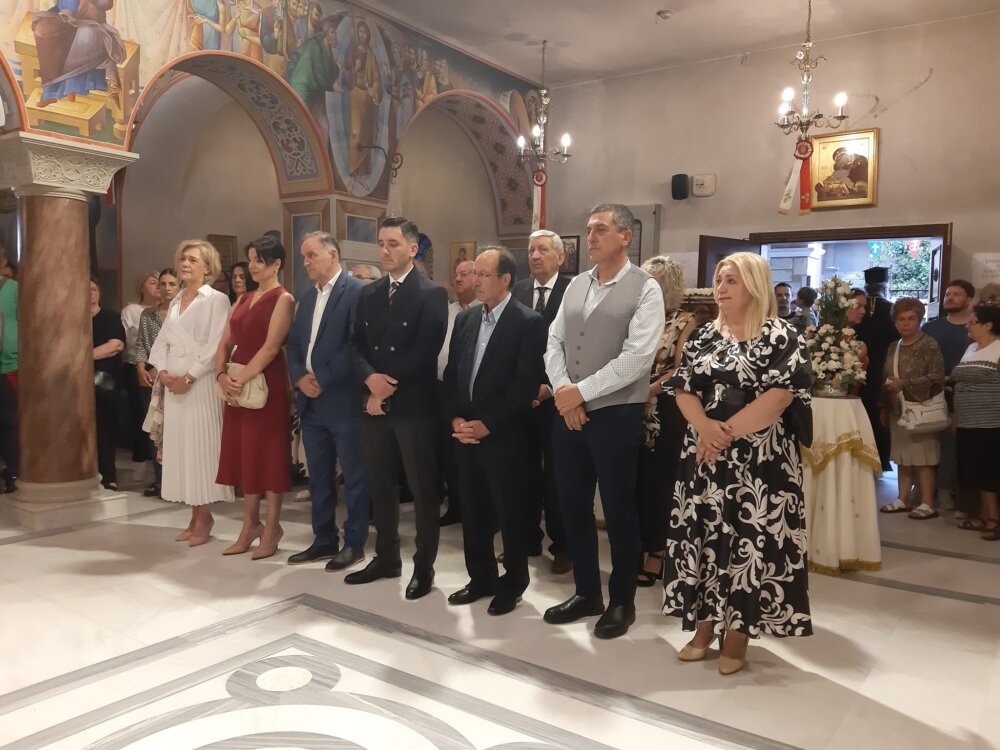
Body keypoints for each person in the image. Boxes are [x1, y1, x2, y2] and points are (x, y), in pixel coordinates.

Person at [662, 252, 813, 675]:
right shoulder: (704, 335)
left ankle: (738, 632)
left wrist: (721, 433)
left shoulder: (782, 334)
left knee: (749, 541)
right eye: (719, 280)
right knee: (705, 538)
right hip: (704, 455)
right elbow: (684, 387)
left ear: (755, 285)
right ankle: (703, 626)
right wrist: (703, 428)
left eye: (731, 280)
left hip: (759, 461)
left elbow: (779, 397)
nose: (721, 288)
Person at [542, 203, 665, 640]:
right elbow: (554, 341)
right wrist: (563, 390)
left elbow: (637, 358)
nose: (590, 237)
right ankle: (586, 593)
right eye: (588, 229)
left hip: (615, 415)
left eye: (600, 229)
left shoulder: (645, 288)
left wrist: (581, 393)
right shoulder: (577, 284)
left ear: (625, 236)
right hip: (569, 412)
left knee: (617, 510)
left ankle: (621, 602)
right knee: (572, 506)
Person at [345, 217, 448, 600]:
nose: (384, 251)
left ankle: (424, 567)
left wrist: (383, 388)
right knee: (380, 484)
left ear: (412, 248)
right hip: (373, 402)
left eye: (393, 244)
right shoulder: (369, 293)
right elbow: (355, 344)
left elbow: (425, 350)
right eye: (381, 243)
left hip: (411, 404)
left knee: (421, 489)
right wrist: (369, 380)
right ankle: (387, 557)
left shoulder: (430, 293)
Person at [443, 247, 547, 615]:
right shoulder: (466, 319)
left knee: (510, 513)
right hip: (466, 432)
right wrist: (455, 419)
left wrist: (488, 424)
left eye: (484, 275)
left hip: (505, 435)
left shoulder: (528, 322)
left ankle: (514, 582)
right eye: (475, 273)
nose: (476, 281)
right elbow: (453, 375)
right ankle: (481, 577)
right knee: (473, 512)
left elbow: (525, 384)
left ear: (506, 280)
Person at [286, 232, 371, 570]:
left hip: (342, 398)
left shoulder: (357, 292)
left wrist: (321, 377)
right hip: (311, 402)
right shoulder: (307, 298)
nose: (305, 262)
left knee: (353, 475)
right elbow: (294, 344)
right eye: (303, 256)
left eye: (311, 255)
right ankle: (323, 538)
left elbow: (355, 344)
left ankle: (354, 543)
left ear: (332, 255)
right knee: (318, 477)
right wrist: (299, 377)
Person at [149, 240, 235, 545]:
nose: (185, 264)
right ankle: (194, 515)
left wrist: (190, 377)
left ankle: (204, 517)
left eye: (193, 260)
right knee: (182, 452)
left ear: (208, 267)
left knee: (202, 452)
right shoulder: (175, 301)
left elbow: (217, 344)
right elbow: (161, 343)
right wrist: (162, 372)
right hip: (175, 389)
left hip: (201, 387)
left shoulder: (217, 300)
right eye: (183, 258)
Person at [216, 236, 295, 559]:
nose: (252, 266)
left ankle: (272, 526)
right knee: (245, 453)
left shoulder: (283, 298)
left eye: (258, 260)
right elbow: (224, 342)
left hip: (265, 382)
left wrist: (239, 378)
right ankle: (249, 524)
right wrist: (221, 375)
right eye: (250, 260)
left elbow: (272, 347)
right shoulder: (243, 298)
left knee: (269, 454)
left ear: (276, 264)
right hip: (236, 381)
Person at [512, 229, 572, 573]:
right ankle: (527, 538)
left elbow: (576, 346)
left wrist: (549, 386)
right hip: (521, 399)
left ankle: (562, 544)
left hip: (559, 397)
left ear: (560, 257)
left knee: (558, 477)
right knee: (523, 472)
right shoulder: (518, 290)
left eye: (543, 250)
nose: (535, 255)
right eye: (531, 249)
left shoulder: (574, 291)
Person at [636, 256, 696, 586]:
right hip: (631, 406)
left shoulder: (684, 321)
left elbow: (682, 368)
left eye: (652, 282)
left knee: (659, 481)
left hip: (666, 408)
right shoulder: (636, 317)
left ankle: (657, 551)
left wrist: (650, 390)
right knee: (635, 479)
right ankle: (635, 543)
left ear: (667, 287)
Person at [878, 297, 945, 520]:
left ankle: (927, 502)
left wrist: (905, 384)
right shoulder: (893, 346)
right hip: (898, 408)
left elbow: (937, 377)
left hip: (921, 407)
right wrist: (883, 406)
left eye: (911, 318)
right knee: (902, 456)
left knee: (923, 457)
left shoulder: (929, 344)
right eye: (901, 319)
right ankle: (903, 498)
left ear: (919, 319)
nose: (905, 323)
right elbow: (886, 376)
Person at [922, 280, 975, 512]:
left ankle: (947, 489)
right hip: (932, 391)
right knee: (928, 441)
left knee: (953, 445)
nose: (950, 298)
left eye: (957, 294)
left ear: (969, 299)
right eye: (947, 294)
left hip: (964, 393)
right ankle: (924, 488)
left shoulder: (974, 328)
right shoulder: (931, 328)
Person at [951, 298, 1000, 540]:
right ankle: (983, 514)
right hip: (967, 421)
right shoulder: (971, 349)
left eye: (973, 322)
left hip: (991, 422)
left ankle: (994, 519)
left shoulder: (998, 349)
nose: (967, 326)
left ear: (988, 325)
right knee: (975, 471)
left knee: (990, 472)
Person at [437, 258, 479, 526]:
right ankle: (455, 506)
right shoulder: (447, 311)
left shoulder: (484, 310)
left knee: (475, 454)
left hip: (475, 392)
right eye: (456, 274)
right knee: (449, 452)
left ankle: (480, 510)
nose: (458, 279)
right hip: (445, 388)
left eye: (465, 274)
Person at [135, 268, 180, 498]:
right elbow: (142, 344)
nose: (167, 288)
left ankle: (179, 481)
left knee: (177, 430)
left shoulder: (184, 313)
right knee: (156, 428)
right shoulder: (148, 315)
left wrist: (161, 367)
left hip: (176, 376)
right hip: (152, 378)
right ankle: (161, 480)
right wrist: (140, 367)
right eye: (163, 284)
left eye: (172, 284)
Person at [32, 0, 125, 108]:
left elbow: (107, 4)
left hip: (90, 22)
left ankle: (71, 88)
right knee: (44, 29)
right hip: (66, 20)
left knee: (85, 36)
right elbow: (59, 6)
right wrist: (52, 17)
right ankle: (49, 93)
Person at [855, 266, 898, 471]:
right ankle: (881, 456)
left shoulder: (857, 309)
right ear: (885, 287)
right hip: (882, 366)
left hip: (858, 366)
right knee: (879, 409)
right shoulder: (890, 309)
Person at [91, 276, 126, 491]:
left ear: (99, 292)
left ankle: (109, 476)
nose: (90, 293)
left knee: (104, 429)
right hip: (78, 383)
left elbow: (116, 345)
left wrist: (84, 356)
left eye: (93, 289)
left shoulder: (110, 317)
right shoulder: (73, 320)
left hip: (105, 382)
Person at [121, 272, 160, 464]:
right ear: (142, 287)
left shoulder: (168, 309)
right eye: (153, 282)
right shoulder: (132, 310)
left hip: (160, 365)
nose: (158, 286)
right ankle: (142, 456)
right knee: (140, 411)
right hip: (135, 364)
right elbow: (129, 340)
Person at [344, 20, 382, 194]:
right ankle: (352, 173)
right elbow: (346, 74)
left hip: (368, 99)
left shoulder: (371, 55)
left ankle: (361, 175)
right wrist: (355, 68)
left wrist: (374, 90)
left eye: (364, 32)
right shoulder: (352, 52)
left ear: (368, 35)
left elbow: (376, 80)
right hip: (356, 95)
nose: (362, 35)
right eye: (359, 32)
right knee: (355, 133)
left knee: (366, 136)